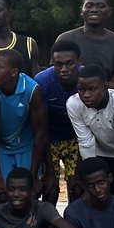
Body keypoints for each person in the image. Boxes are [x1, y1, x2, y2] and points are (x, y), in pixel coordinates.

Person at [67, 64, 114, 200]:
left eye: (92, 89)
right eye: (81, 89)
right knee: (85, 194)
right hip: (98, 154)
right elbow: (85, 142)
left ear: (105, 87)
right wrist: (90, 181)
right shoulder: (73, 104)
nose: (86, 95)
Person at [0, 50, 47, 195]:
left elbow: (39, 134)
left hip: (25, 146)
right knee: (4, 192)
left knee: (28, 191)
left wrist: (34, 174)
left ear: (14, 72)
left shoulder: (31, 89)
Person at [56, 0, 114, 91]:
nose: (94, 9)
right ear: (81, 11)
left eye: (100, 6)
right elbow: (55, 79)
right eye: (89, 5)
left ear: (109, 12)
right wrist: (107, 83)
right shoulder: (65, 39)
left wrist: (76, 81)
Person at [34, 40, 82, 205]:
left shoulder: (87, 80)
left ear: (79, 62)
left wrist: (77, 169)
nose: (64, 69)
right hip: (50, 139)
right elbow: (40, 126)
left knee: (77, 189)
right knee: (51, 189)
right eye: (58, 64)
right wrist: (50, 172)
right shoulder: (42, 81)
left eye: (70, 64)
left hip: (76, 139)